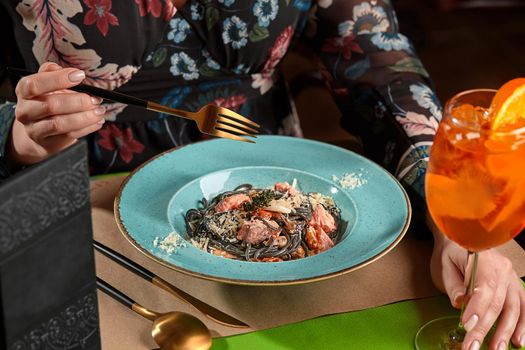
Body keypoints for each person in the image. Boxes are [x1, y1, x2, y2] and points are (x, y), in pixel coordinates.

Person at [0, 1, 523, 348]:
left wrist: (443, 201)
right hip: (75, 192)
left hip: (277, 172)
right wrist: (12, 134)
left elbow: (377, 60)